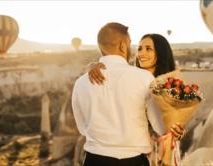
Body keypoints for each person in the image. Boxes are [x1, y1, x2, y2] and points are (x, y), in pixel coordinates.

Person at [72, 22, 184, 166]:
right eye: (136, 46)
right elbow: (161, 126)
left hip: (94, 160)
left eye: (149, 49)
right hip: (134, 160)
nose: (140, 53)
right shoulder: (144, 79)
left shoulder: (81, 82)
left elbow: (82, 127)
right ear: (123, 46)